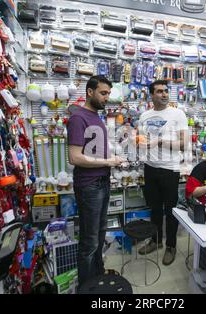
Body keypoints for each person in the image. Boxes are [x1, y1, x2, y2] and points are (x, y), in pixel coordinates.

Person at [67, 75, 122, 286]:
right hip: (89, 186)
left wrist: (110, 163)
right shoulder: (78, 118)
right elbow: (75, 157)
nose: (107, 97)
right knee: (89, 242)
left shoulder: (96, 117)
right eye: (103, 93)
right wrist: (108, 162)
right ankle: (87, 287)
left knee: (99, 236)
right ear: (90, 92)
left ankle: (98, 278)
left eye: (108, 93)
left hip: (102, 182)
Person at [137, 80, 188, 266]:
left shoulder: (178, 114)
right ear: (151, 95)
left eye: (166, 91)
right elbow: (142, 139)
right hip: (150, 167)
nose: (164, 94)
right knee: (155, 209)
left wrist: (159, 142)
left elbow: (184, 143)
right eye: (159, 91)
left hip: (169, 168)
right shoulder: (144, 116)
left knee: (171, 210)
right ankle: (156, 241)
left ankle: (171, 246)